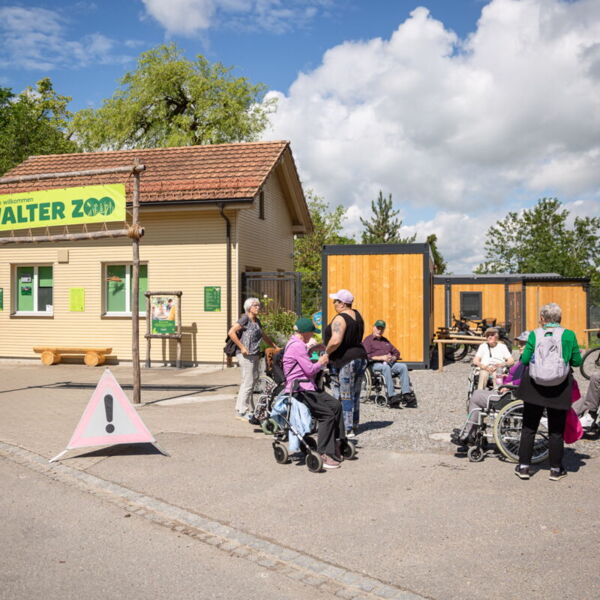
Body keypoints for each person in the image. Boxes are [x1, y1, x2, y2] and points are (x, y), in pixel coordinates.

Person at [515, 302, 582, 481]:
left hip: (534, 387)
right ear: (560, 318)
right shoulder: (568, 335)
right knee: (556, 430)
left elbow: (526, 359)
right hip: (559, 387)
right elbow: (576, 362)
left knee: (529, 427)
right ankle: (555, 469)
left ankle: (523, 467)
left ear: (543, 319)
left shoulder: (535, 334)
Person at [283, 317, 346, 470]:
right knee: (327, 415)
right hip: (299, 389)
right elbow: (310, 370)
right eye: (312, 333)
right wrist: (322, 361)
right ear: (305, 332)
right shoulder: (297, 346)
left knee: (336, 405)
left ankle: (337, 442)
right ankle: (324, 453)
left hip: (308, 387)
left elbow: (306, 367)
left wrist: (313, 355)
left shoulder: (299, 344)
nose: (312, 335)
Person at [451, 331, 529, 447]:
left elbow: (526, 379)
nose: (519, 346)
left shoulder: (529, 360)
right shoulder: (524, 359)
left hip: (510, 395)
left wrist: (508, 384)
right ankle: (470, 431)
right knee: (479, 389)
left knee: (476, 397)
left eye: (523, 344)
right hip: (507, 389)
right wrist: (506, 377)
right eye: (519, 343)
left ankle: (469, 433)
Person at [323, 289, 367, 437]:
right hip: (360, 356)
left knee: (345, 394)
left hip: (345, 360)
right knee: (355, 393)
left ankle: (346, 428)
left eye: (335, 301)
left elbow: (335, 340)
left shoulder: (340, 318)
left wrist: (326, 353)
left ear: (342, 303)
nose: (333, 304)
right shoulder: (357, 315)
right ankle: (353, 424)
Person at [228, 297, 277, 420]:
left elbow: (263, 335)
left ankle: (242, 408)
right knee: (249, 381)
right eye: (255, 305)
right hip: (245, 355)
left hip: (254, 354)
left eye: (258, 305)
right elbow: (231, 332)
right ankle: (242, 411)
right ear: (249, 307)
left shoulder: (257, 321)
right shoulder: (245, 318)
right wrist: (242, 347)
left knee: (251, 380)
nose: (258, 307)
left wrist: (274, 346)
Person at [362, 319, 415, 407]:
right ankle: (392, 395)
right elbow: (366, 356)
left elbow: (397, 352)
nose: (379, 330)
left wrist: (393, 357)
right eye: (378, 328)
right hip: (375, 365)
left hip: (389, 363)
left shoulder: (385, 341)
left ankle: (406, 393)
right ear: (373, 328)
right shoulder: (368, 340)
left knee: (403, 366)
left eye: (382, 329)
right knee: (385, 368)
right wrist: (381, 357)